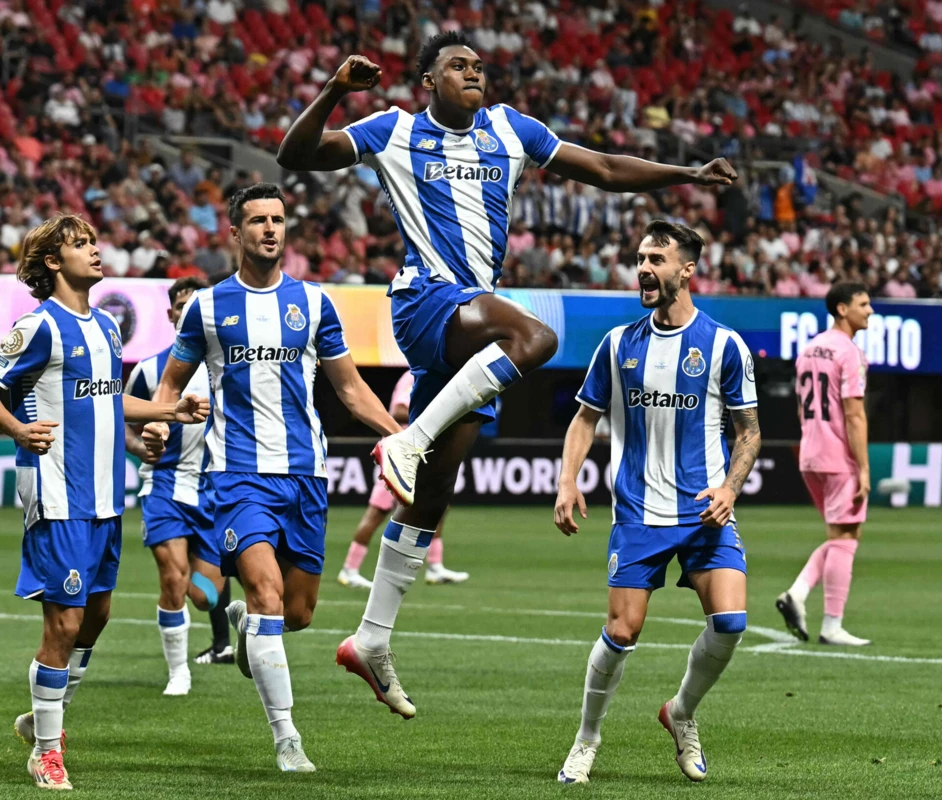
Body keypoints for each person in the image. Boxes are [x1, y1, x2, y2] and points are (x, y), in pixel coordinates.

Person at [275, 35, 737, 717]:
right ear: (427, 79)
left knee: (431, 494)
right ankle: (407, 440)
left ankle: (370, 639)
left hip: (470, 321)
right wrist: (337, 90)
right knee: (536, 337)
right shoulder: (393, 130)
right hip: (426, 301)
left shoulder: (509, 129)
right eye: (457, 66)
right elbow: (295, 156)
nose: (473, 73)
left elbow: (604, 167)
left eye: (478, 66)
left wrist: (687, 174)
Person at [153, 183, 403, 773]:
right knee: (265, 591)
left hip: (305, 475)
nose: (270, 229)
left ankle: (249, 627)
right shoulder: (207, 307)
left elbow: (349, 388)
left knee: (298, 614)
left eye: (278, 219)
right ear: (235, 233)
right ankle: (288, 739)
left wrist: (399, 436)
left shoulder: (314, 303)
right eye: (258, 220)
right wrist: (161, 421)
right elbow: (170, 384)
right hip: (237, 475)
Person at [2, 214, 209, 790]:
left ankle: (42, 715)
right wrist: (18, 431)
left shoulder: (107, 328)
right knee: (64, 622)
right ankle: (46, 751)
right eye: (80, 244)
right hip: (57, 493)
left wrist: (170, 411)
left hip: (104, 496)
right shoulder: (37, 327)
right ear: (52, 262)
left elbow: (108, 399)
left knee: (96, 616)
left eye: (94, 241)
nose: (95, 250)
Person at [553, 221, 761, 784]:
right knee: (621, 633)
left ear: (687, 271)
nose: (644, 268)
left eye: (656, 260)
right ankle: (586, 738)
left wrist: (729, 489)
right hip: (638, 514)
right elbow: (585, 418)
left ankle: (681, 712)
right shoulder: (617, 344)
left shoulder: (723, 345)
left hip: (703, 512)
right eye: (641, 258)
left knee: (731, 623)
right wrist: (568, 480)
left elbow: (748, 431)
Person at [125, 276, 232, 694]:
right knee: (172, 578)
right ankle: (179, 673)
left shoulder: (227, 366)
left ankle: (218, 621)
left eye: (195, 304)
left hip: (213, 490)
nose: (187, 311)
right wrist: (140, 447)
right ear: (171, 314)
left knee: (205, 595)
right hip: (165, 486)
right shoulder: (150, 370)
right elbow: (122, 418)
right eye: (181, 305)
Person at [776, 282, 873, 648]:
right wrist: (863, 467)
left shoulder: (809, 349)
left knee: (840, 536)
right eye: (863, 304)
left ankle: (797, 594)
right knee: (846, 539)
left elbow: (801, 404)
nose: (870, 310)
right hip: (838, 456)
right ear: (842, 309)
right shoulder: (849, 352)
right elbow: (854, 413)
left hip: (811, 454)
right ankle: (831, 625)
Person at [339, 368, 468, 589]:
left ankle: (435, 566)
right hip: (400, 455)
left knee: (438, 508)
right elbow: (398, 410)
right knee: (377, 512)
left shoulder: (433, 375)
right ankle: (349, 569)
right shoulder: (413, 375)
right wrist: (433, 416)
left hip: (423, 456)